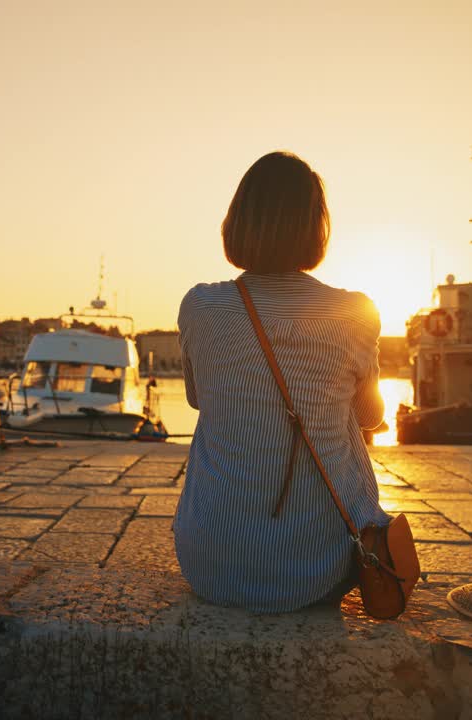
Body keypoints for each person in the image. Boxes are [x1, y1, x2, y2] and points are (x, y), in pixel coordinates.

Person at [174, 151, 389, 613]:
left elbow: (197, 399)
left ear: (238, 220)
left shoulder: (200, 307)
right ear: (316, 227)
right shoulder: (355, 311)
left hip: (210, 564)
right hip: (322, 569)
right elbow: (372, 417)